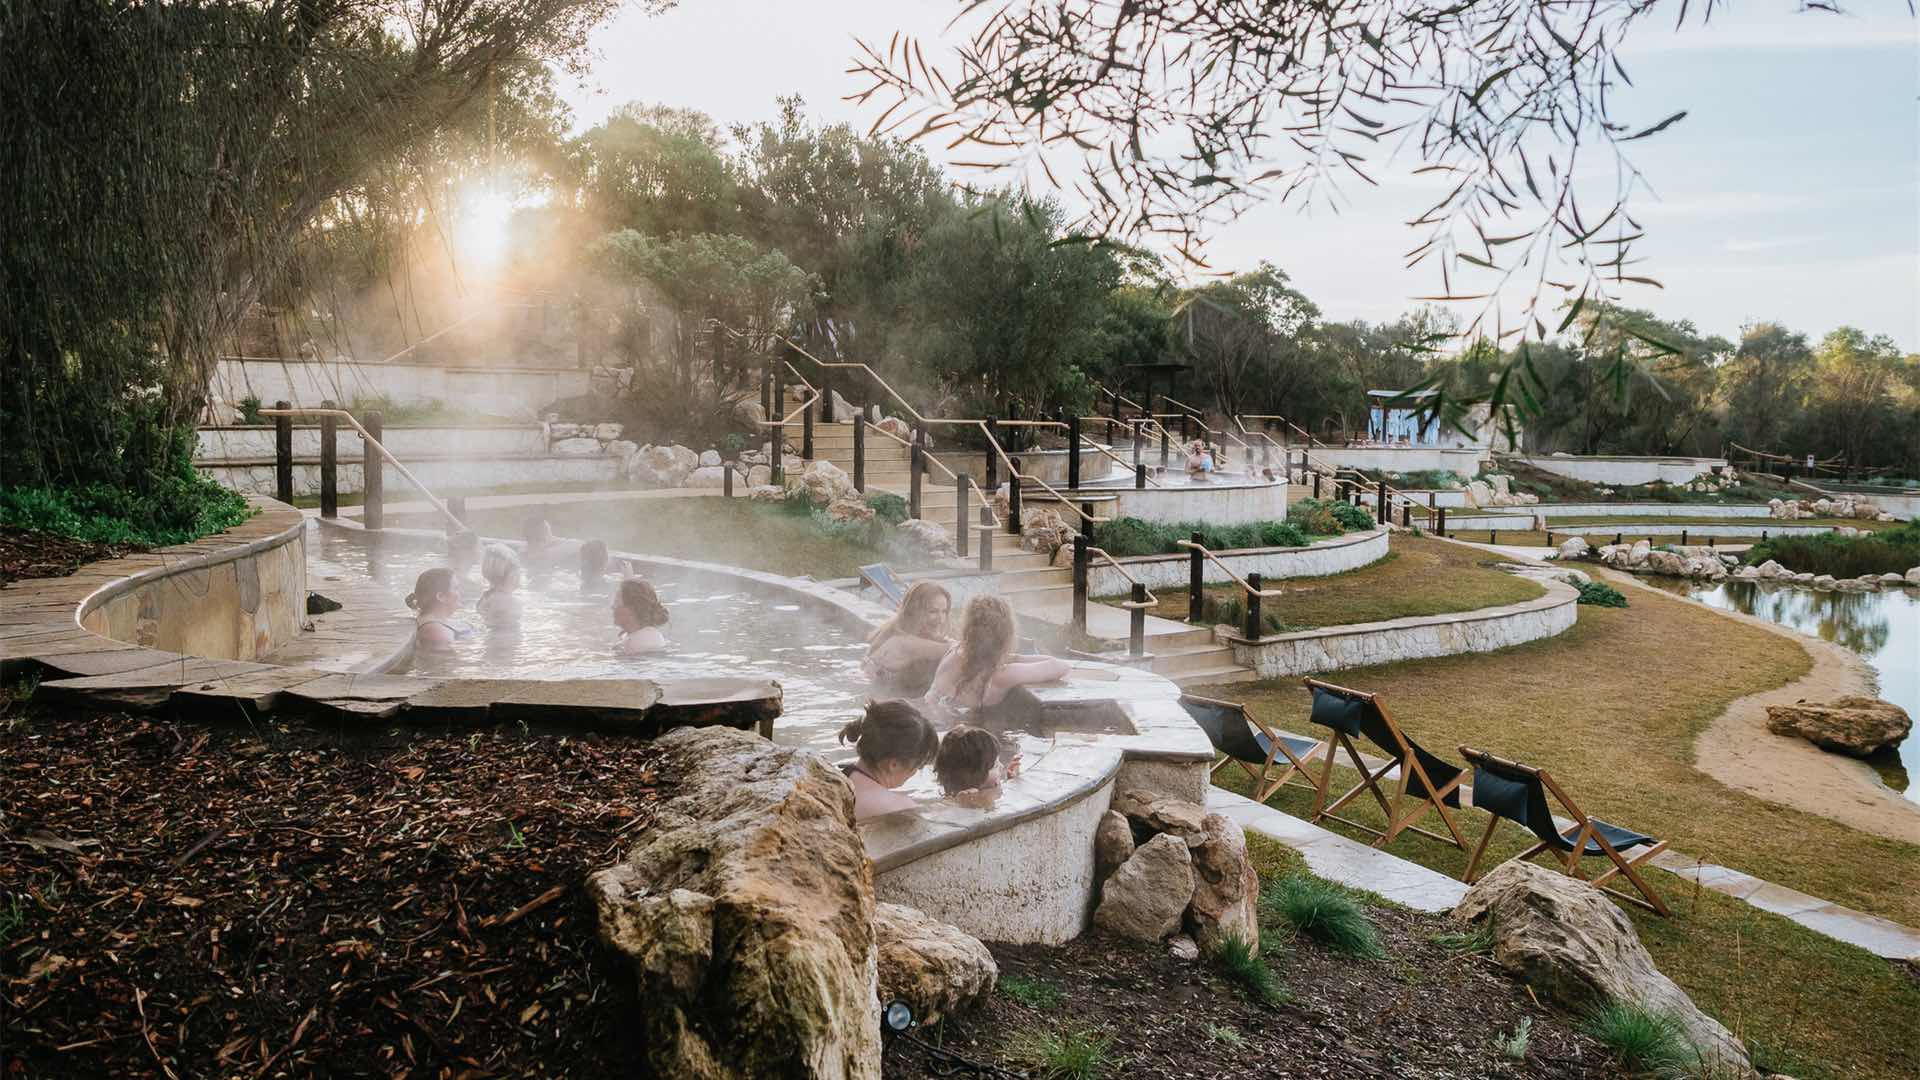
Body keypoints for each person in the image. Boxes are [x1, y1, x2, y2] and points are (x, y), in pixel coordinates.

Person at [926, 595, 1071, 712]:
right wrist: (1013, 657)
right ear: (1005, 635)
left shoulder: (955, 652)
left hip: (932, 717)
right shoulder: (999, 676)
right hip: (968, 731)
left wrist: (1004, 658)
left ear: (968, 627)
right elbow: (1060, 666)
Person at [839, 699, 939, 821]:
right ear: (894, 764)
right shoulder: (900, 808)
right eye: (918, 766)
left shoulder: (838, 780)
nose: (914, 773)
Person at [862, 581, 953, 695]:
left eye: (944, 611)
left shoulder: (897, 631)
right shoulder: (900, 640)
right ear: (914, 612)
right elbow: (959, 651)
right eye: (933, 611)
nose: (941, 619)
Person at [934, 724, 1019, 796]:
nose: (1002, 766)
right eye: (995, 765)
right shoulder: (968, 798)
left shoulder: (982, 790)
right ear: (974, 774)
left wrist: (1011, 781)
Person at [405, 567, 471, 649]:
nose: (461, 592)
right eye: (456, 588)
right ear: (441, 597)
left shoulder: (433, 623)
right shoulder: (437, 632)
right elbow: (442, 661)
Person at [612, 576, 670, 654]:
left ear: (630, 611)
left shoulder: (638, 644)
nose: (612, 607)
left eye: (616, 603)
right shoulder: (642, 634)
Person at [475, 544, 524, 628]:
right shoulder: (508, 602)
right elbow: (505, 632)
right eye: (518, 569)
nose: (520, 574)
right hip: (505, 640)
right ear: (511, 574)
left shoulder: (486, 597)